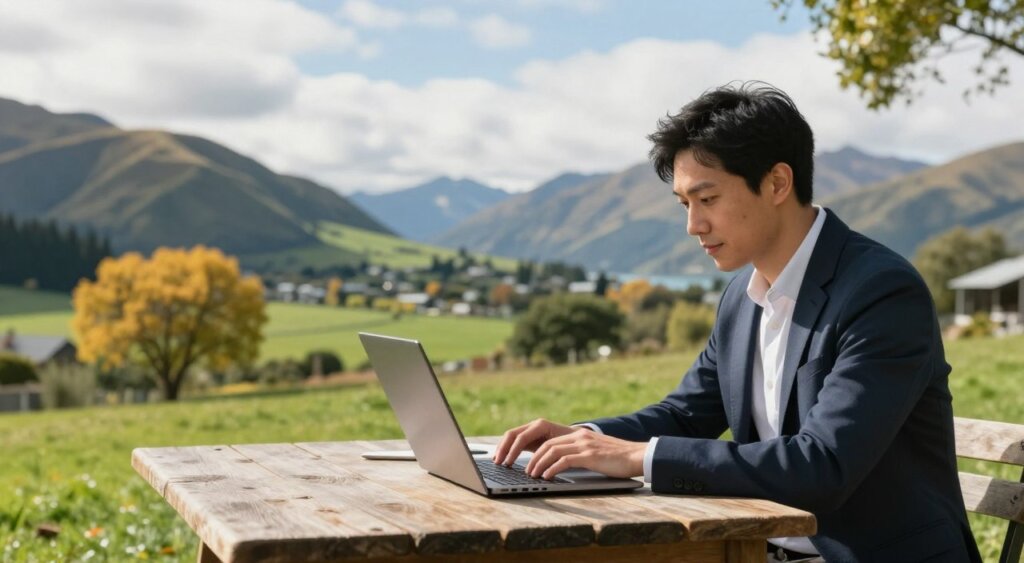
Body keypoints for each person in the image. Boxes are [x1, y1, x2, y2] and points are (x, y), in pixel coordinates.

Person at [492, 82, 981, 562]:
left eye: (707, 200)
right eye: (685, 205)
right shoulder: (741, 300)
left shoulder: (881, 292)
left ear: (777, 184)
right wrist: (580, 439)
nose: (693, 226)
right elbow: (685, 415)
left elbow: (824, 465)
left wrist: (637, 457)